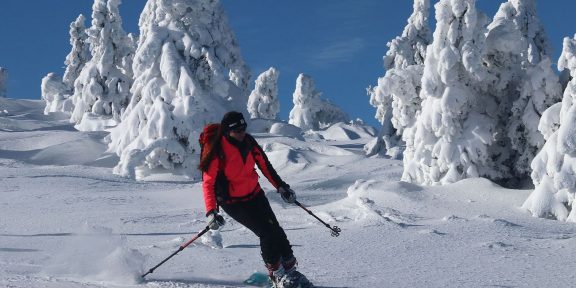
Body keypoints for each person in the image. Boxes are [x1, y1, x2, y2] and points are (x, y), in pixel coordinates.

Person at [198, 111, 312, 288]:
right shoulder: (217, 150)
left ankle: (290, 270)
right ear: (227, 131)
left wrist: (281, 187)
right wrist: (212, 211)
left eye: (244, 128)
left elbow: (265, 165)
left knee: (275, 229)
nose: (242, 133)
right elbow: (208, 183)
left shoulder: (249, 142)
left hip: (255, 194)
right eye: (237, 131)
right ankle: (277, 274)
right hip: (232, 201)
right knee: (266, 232)